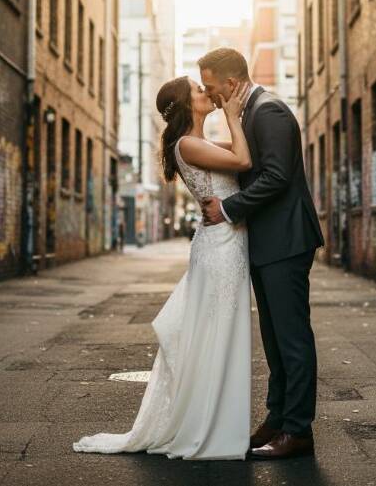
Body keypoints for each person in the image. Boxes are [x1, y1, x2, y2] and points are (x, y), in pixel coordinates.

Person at [72, 75, 254, 460]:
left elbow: (240, 157)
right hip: (220, 251)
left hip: (224, 245)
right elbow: (243, 160)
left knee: (219, 335)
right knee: (217, 334)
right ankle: (210, 428)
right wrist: (234, 115)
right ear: (187, 105)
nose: (206, 92)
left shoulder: (197, 142)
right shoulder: (188, 144)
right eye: (198, 90)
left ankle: (216, 421)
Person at [200, 48, 325, 459]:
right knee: (274, 340)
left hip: (286, 242)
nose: (210, 95)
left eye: (213, 88)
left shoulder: (269, 112)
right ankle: (277, 420)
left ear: (232, 84)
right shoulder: (250, 112)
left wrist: (228, 209)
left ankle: (298, 430)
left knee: (291, 339)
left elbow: (275, 176)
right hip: (269, 243)